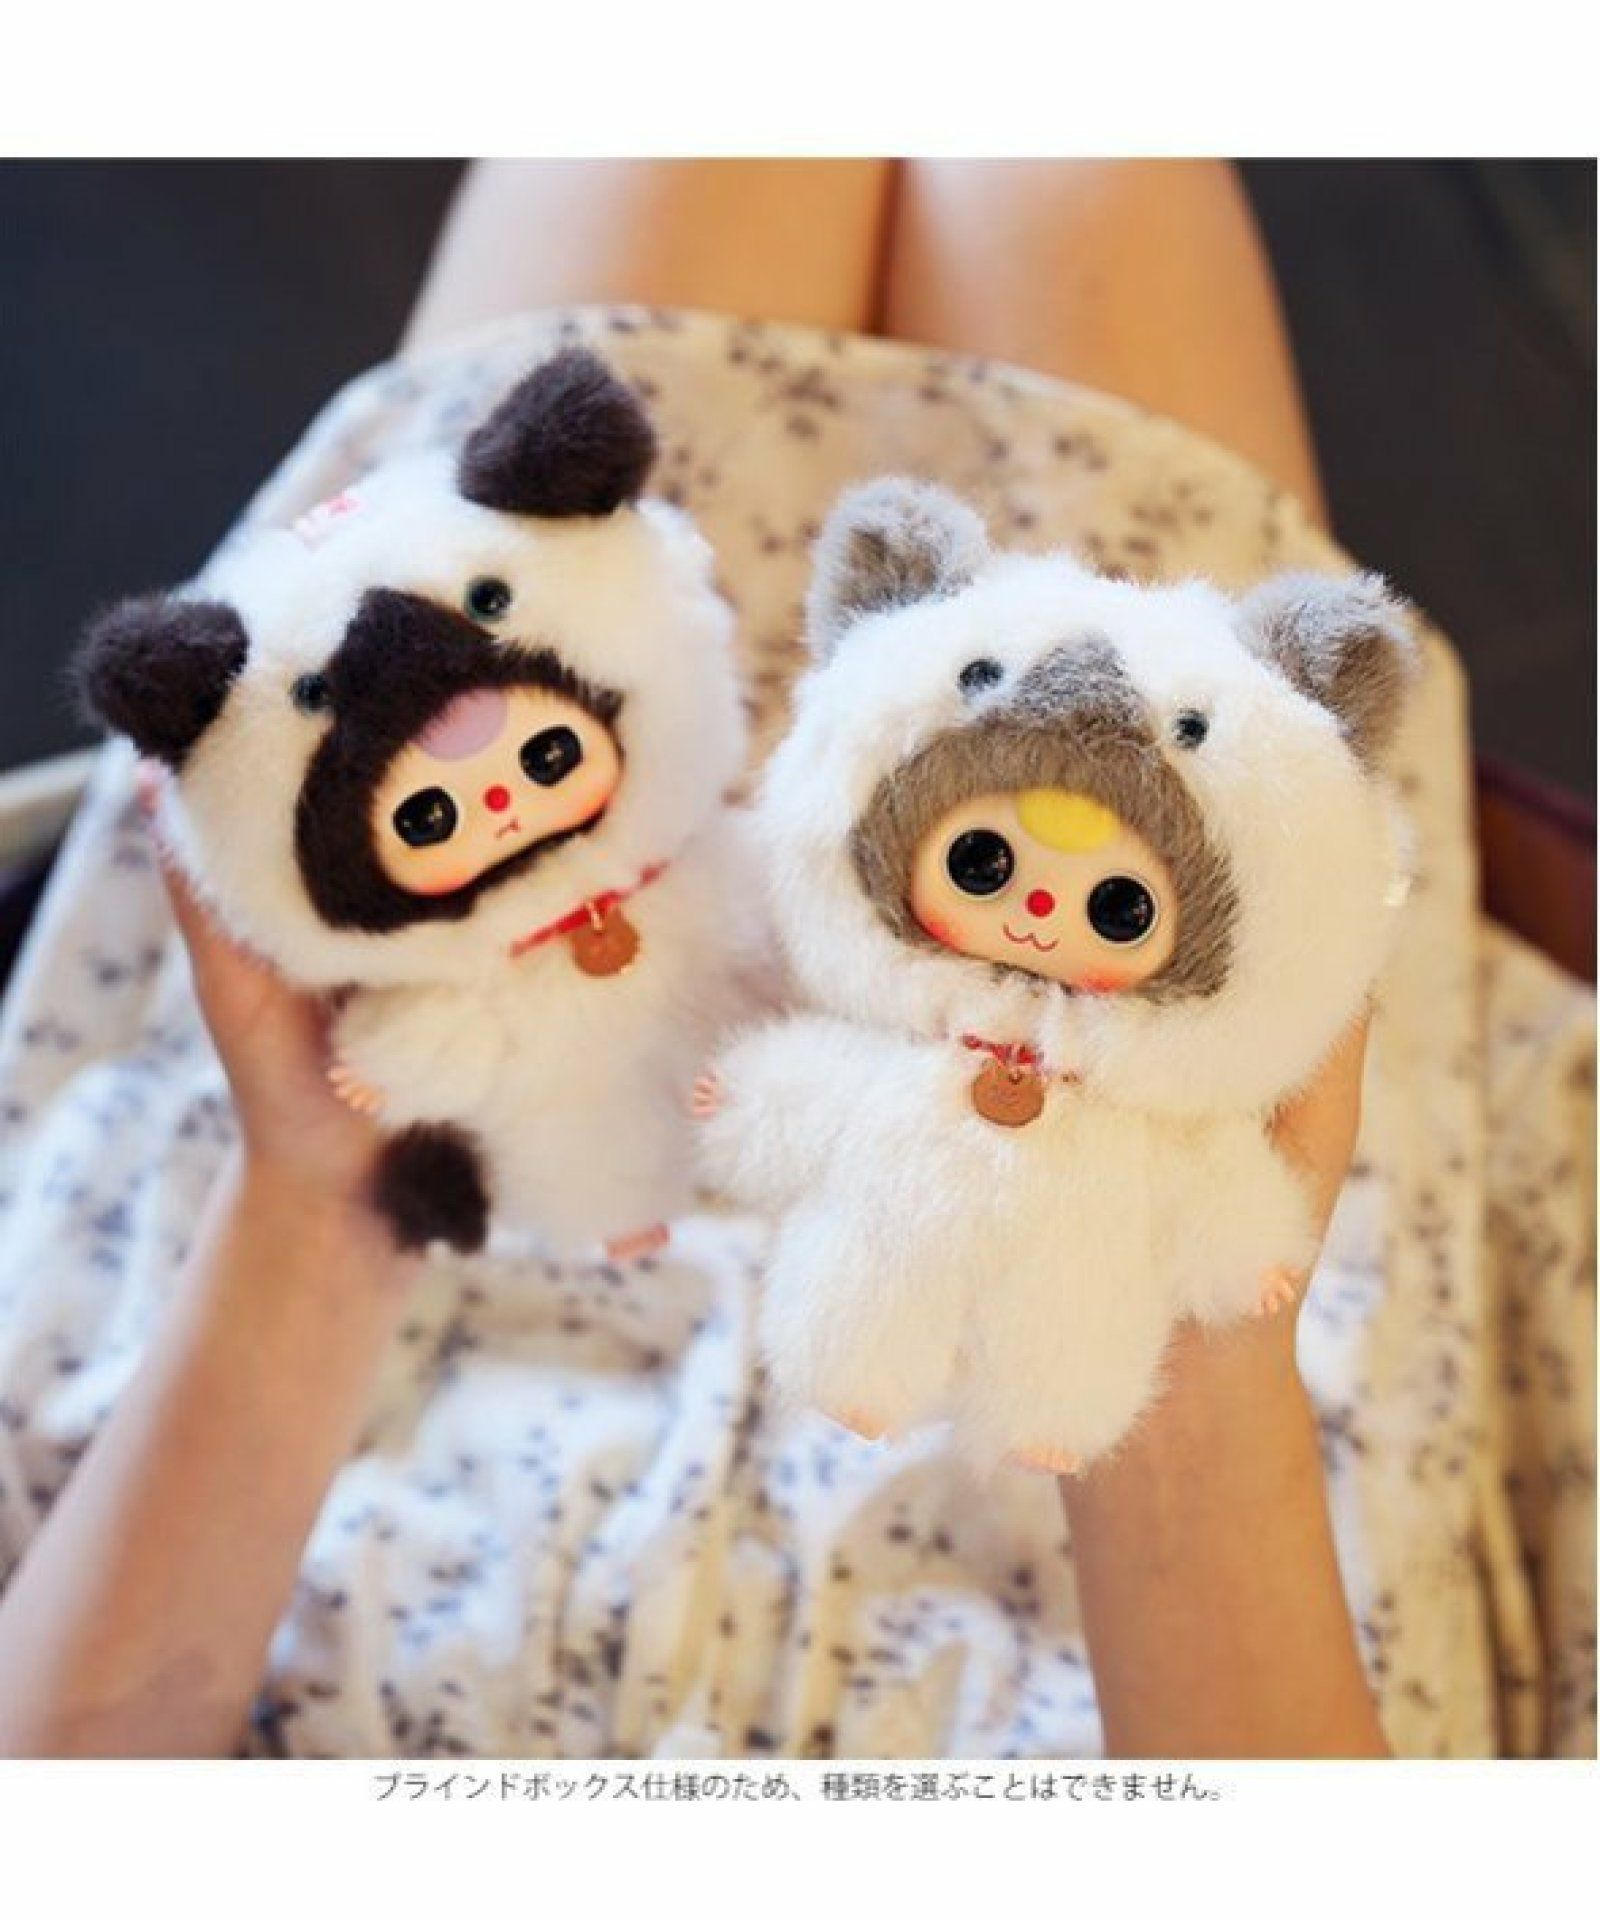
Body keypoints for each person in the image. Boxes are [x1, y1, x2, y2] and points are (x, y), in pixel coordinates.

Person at [0, 160, 1389, 1757]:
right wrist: (1195, 1346)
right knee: (1069, 183)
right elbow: (814, 1112)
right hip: (1137, 1413)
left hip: (606, 840)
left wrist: (320, 1204)